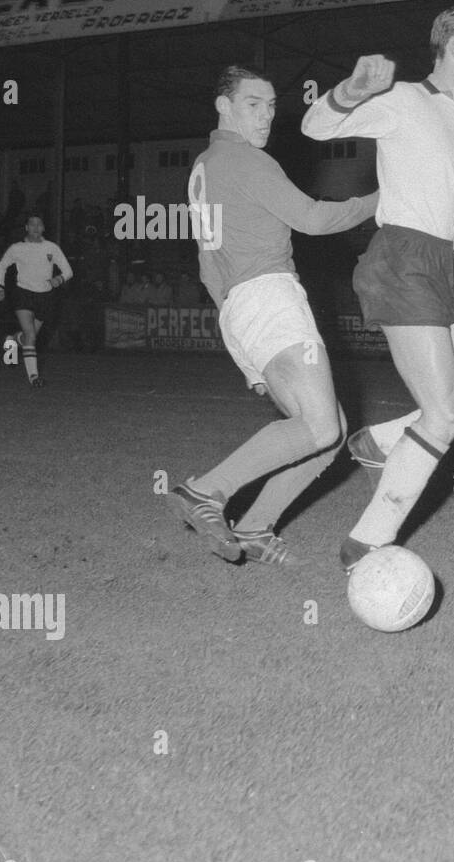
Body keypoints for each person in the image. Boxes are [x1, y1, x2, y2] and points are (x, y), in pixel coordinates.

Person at [301, 4, 454, 572]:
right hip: (399, 261)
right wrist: (353, 89)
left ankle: (380, 441)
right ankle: (365, 546)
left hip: (440, 267)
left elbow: (450, 225)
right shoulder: (406, 101)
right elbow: (317, 127)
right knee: (443, 415)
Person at [162, 65, 378, 567]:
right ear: (224, 106)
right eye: (253, 104)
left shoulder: (204, 165)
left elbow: (207, 265)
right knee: (322, 428)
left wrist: (243, 352)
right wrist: (380, 200)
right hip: (271, 297)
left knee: (329, 432)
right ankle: (206, 491)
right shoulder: (246, 161)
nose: (265, 116)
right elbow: (314, 219)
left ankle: (256, 525)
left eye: (271, 106)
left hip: (239, 307)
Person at [0, 215, 72, 388]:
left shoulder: (52, 247)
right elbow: (1, 266)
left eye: (39, 224)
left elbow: (68, 271)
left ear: (43, 228)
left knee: (30, 337)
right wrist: (0, 287)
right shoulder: (17, 248)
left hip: (45, 297)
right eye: (32, 224)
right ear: (26, 228)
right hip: (23, 294)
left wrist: (58, 280)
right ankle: (34, 378)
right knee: (31, 335)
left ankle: (12, 340)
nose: (36, 227)